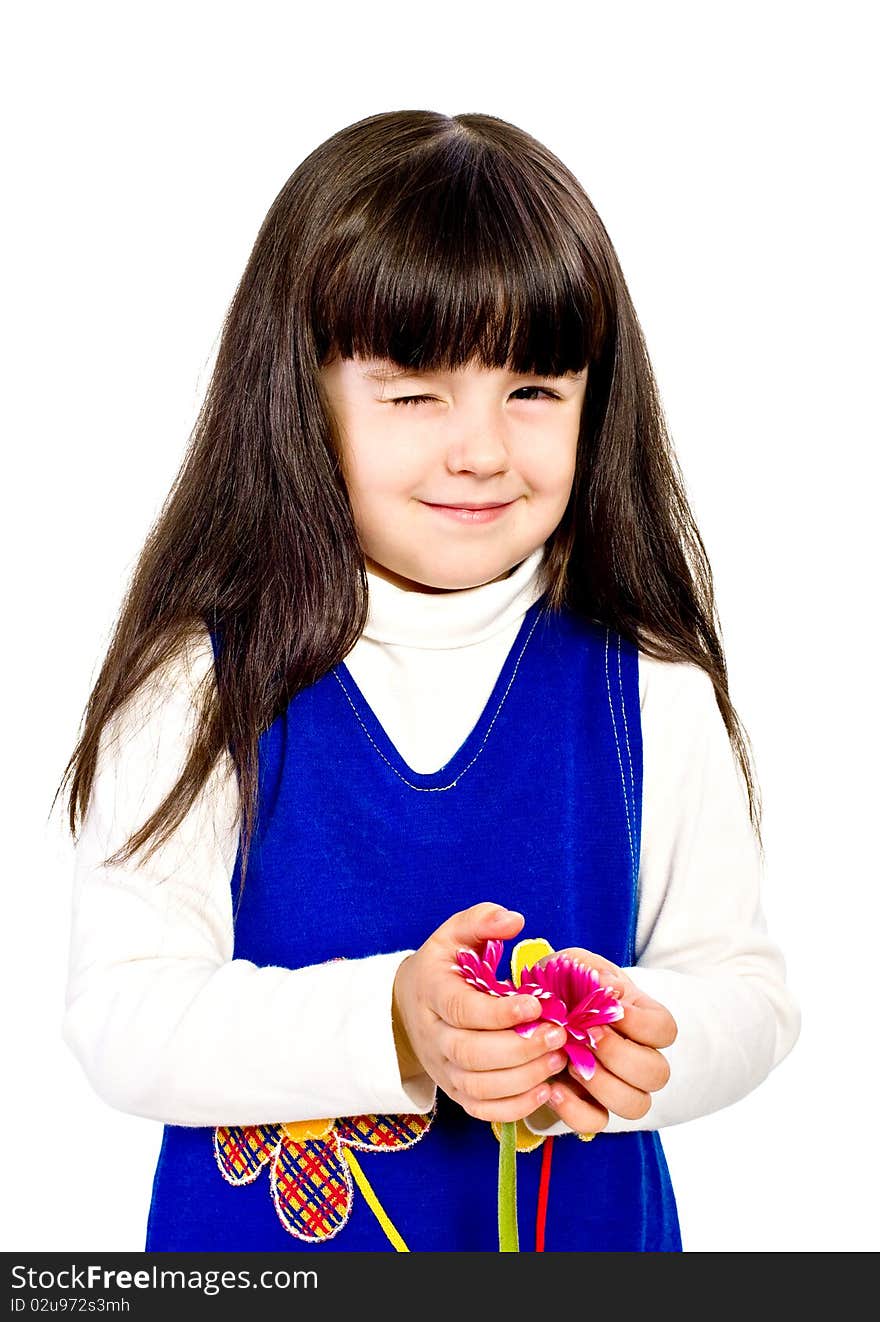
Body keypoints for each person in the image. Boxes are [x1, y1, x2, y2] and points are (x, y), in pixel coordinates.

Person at [57, 109, 801, 1253]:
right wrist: (396, 1019)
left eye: (534, 389)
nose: (482, 448)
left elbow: (743, 984)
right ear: (300, 395)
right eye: (414, 393)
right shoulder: (198, 681)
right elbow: (126, 1014)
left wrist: (647, 1035)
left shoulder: (646, 681)